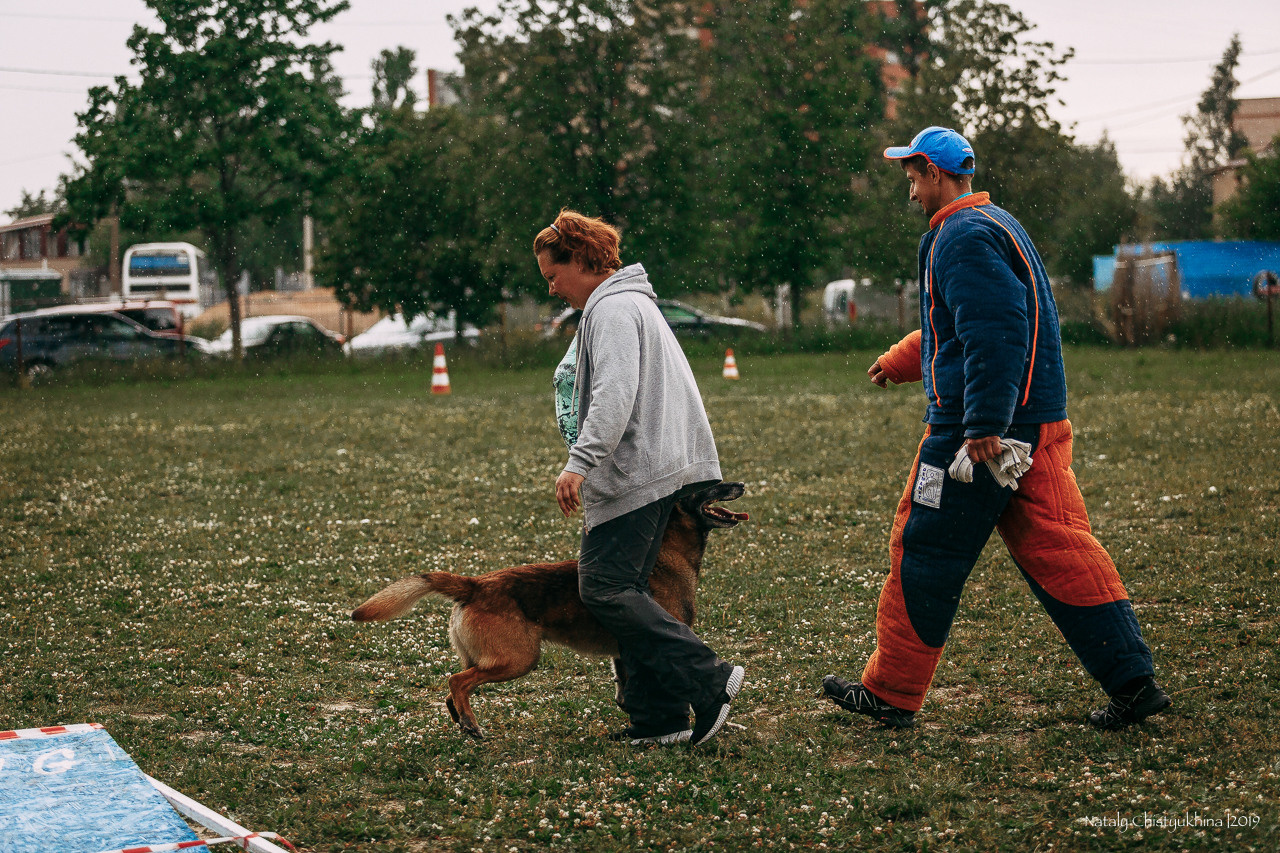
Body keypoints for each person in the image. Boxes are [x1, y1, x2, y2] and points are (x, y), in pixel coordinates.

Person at [822, 127, 1170, 730]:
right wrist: (907, 359)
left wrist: (983, 422)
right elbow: (965, 325)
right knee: (1061, 549)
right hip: (1035, 425)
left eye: (912, 179)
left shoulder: (958, 236)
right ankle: (1135, 684)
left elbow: (996, 332)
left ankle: (892, 693)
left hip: (979, 435)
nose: (910, 193)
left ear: (934, 172)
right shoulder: (996, 224)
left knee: (923, 550)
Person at [535, 209, 744, 746]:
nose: (553, 288)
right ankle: (662, 717)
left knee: (604, 588)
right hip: (659, 467)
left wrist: (580, 462)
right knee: (632, 589)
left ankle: (709, 677)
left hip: (637, 472)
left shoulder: (610, 311)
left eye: (554, 276)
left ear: (581, 261)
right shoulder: (632, 305)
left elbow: (614, 394)